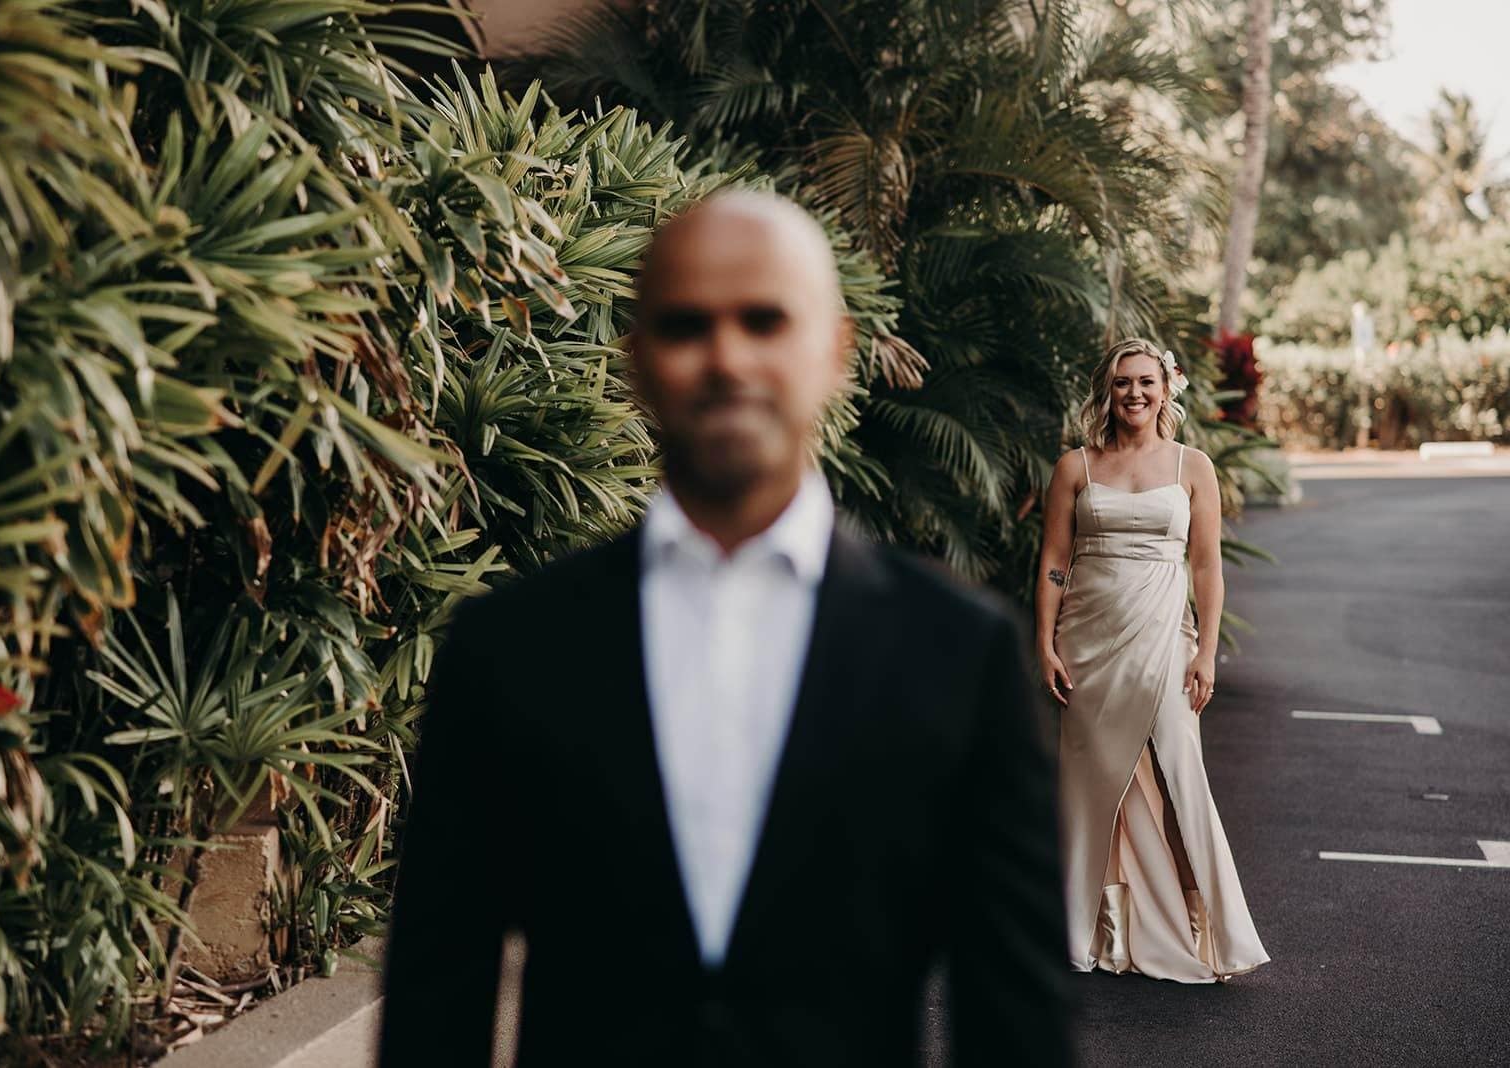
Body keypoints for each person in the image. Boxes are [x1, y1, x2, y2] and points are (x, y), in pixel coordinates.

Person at [380, 191, 1071, 1066]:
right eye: (685, 325)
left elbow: (1015, 1018)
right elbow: (436, 1003)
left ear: (834, 352)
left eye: (764, 320)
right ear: (636, 361)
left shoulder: (961, 653)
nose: (726, 357)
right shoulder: (507, 650)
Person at [1034, 338, 1270, 983]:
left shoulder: (1192, 466)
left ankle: (1203, 933)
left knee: (1178, 773)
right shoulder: (1075, 467)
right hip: (1087, 642)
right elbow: (1055, 561)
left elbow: (1206, 567)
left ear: (1167, 388)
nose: (1134, 394)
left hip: (1167, 638)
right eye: (1120, 383)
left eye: (1145, 382)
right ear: (1105, 393)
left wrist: (1207, 653)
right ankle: (1105, 933)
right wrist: (1046, 642)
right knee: (1094, 785)